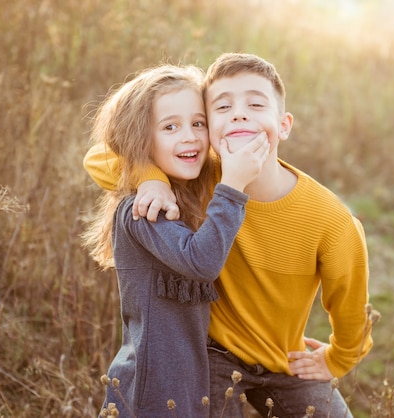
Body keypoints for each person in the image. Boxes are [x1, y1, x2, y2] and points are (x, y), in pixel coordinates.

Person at [84, 53, 373, 418]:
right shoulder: (201, 175)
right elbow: (99, 157)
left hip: (282, 357)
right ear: (211, 132)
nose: (239, 114)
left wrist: (337, 358)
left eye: (255, 103)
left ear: (283, 125)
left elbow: (352, 308)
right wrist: (150, 179)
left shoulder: (330, 220)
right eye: (222, 107)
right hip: (213, 353)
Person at [82, 63, 270, 417]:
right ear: (140, 140)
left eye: (198, 123)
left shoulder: (191, 190)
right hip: (150, 390)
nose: (190, 137)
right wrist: (230, 188)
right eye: (170, 127)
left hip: (194, 386)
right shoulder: (144, 209)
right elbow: (202, 262)